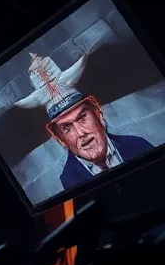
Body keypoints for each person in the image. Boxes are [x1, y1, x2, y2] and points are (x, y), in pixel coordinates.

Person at [13, 54, 154, 191]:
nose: (81, 133)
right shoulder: (70, 181)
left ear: (98, 113)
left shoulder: (137, 146)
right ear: (60, 138)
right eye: (66, 127)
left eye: (82, 118)